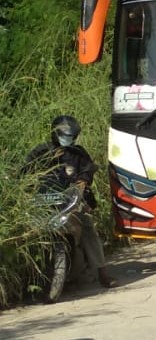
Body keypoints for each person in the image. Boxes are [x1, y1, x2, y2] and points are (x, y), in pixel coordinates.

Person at [24, 115, 118, 288]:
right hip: (42, 203)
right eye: (64, 136)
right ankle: (25, 277)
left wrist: (83, 180)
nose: (67, 140)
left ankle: (102, 272)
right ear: (55, 133)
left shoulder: (78, 153)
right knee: (24, 234)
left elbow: (88, 169)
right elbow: (25, 170)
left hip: (69, 202)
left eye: (71, 137)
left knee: (88, 228)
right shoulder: (41, 152)